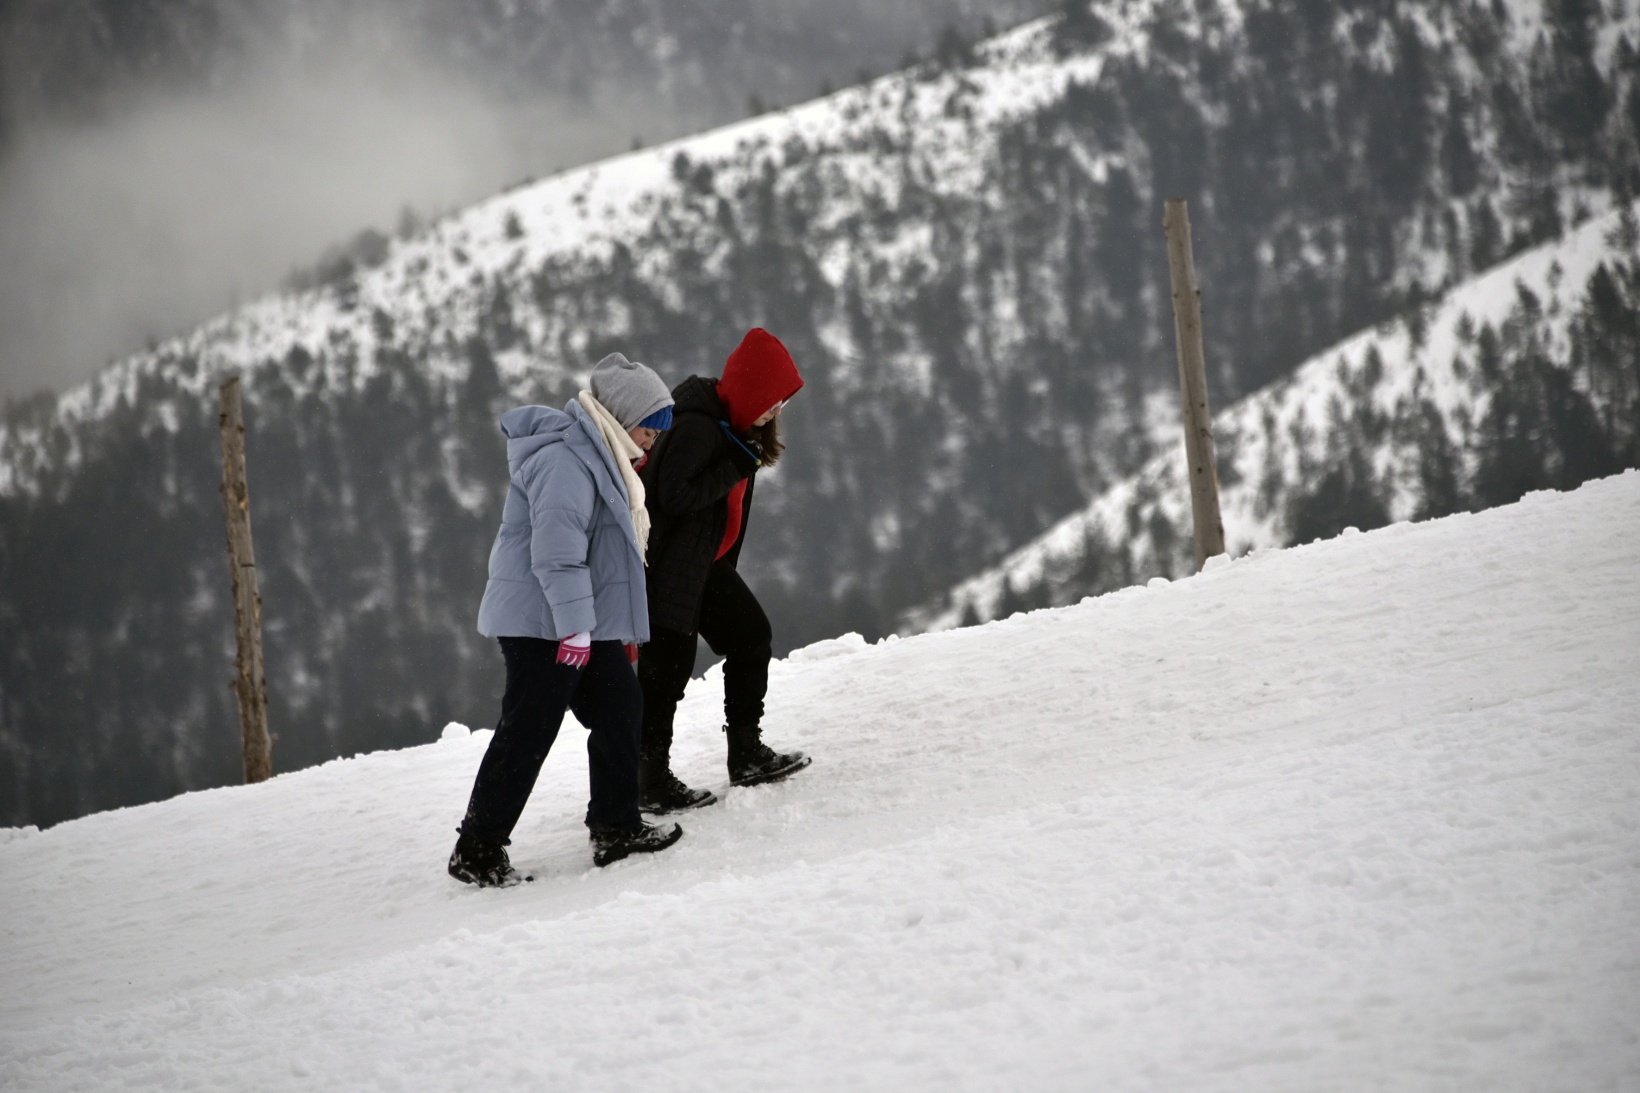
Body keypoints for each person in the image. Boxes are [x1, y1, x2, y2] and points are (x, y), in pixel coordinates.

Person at [448, 352, 684, 885]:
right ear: (624, 418)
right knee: (528, 727)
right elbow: (556, 554)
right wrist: (576, 628)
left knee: (621, 703)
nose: (657, 435)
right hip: (542, 622)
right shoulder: (566, 460)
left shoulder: (602, 457)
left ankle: (616, 827)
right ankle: (477, 850)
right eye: (653, 422)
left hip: (573, 617)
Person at [635, 327, 811, 813]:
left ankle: (746, 754)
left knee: (752, 638)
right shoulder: (698, 428)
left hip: (703, 567)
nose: (776, 412)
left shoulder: (736, 430)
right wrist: (733, 465)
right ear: (750, 388)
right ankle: (647, 781)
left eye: (782, 404)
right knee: (665, 672)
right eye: (771, 400)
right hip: (668, 570)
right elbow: (672, 496)